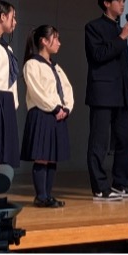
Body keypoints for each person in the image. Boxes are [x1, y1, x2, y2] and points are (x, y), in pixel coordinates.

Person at [85, 0, 128, 201]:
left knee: (127, 137)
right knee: (99, 142)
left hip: (123, 93)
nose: (122, 5)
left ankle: (121, 183)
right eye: (119, 1)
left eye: (123, 1)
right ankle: (100, 187)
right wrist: (121, 37)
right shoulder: (93, 27)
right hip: (102, 93)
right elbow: (98, 55)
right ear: (107, 3)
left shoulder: (120, 30)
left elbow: (126, 63)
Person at [20, 25, 74, 208]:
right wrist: (55, 107)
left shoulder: (55, 67)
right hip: (42, 114)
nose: (59, 42)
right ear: (44, 41)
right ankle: (41, 196)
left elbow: (67, 88)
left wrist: (66, 108)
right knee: (42, 156)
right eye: (55, 38)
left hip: (57, 115)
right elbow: (37, 91)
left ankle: (48, 195)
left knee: (52, 156)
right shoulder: (32, 64)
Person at [0, 0, 20, 170]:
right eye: (13, 17)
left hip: (6, 100)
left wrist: (12, 103)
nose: (15, 22)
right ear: (3, 17)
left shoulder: (6, 48)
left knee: (3, 153)